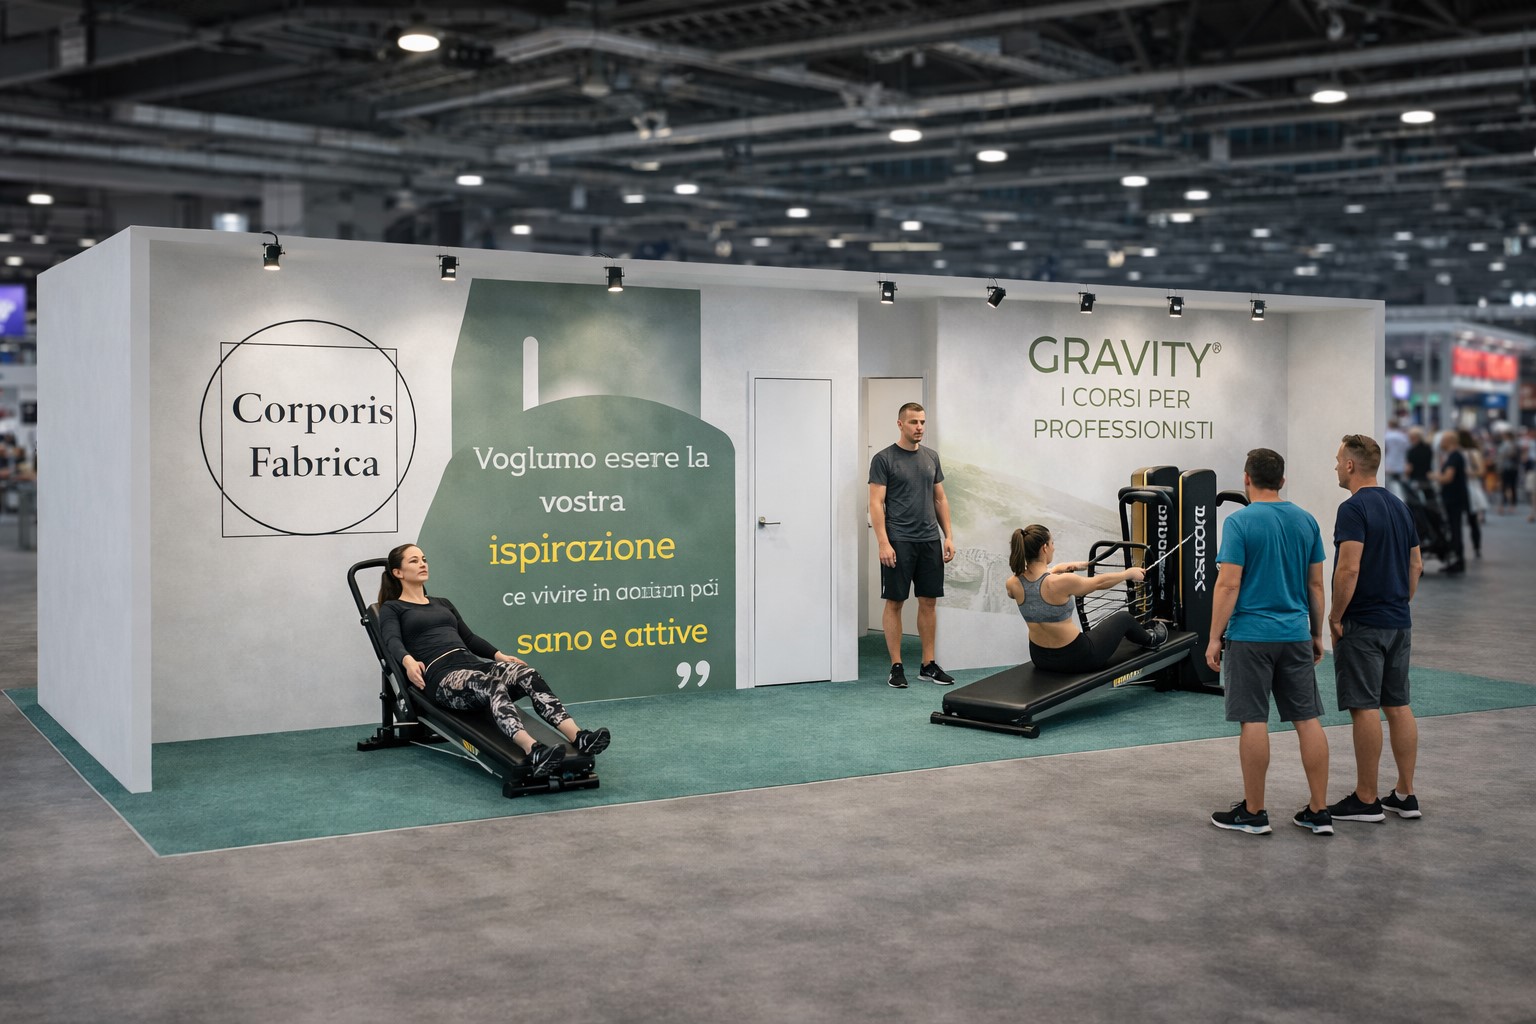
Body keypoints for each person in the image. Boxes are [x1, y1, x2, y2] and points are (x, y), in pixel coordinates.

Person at [376, 543, 610, 776]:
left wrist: (499, 656)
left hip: (471, 664)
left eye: (424, 559)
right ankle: (533, 749)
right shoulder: (393, 608)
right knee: (491, 684)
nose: (422, 564)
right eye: (414, 561)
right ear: (398, 572)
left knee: (527, 674)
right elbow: (391, 639)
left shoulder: (442, 603)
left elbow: (469, 638)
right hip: (442, 676)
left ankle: (579, 737)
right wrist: (407, 660)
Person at [1206, 448, 1331, 836]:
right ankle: (1319, 811)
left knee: (1254, 719)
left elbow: (1228, 584)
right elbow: (1315, 585)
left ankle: (1254, 813)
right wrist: (1316, 633)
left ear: (1247, 479)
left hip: (1250, 637)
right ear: (1282, 480)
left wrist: (1213, 637)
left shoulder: (1239, 522)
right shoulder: (1306, 521)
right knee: (1307, 720)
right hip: (1295, 635)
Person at [1326, 434, 1423, 823]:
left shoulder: (1352, 509)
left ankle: (1366, 799)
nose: (1335, 466)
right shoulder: (1400, 506)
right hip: (1398, 622)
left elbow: (1348, 568)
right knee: (1397, 705)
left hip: (1363, 623)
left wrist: (1335, 615)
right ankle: (1405, 794)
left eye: (1338, 460)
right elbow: (1416, 565)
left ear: (1351, 465)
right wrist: (1399, 602)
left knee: (1364, 708)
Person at [869, 402, 956, 688]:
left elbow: (940, 498)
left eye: (922, 422)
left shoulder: (931, 457)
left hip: (929, 540)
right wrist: (883, 542)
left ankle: (928, 665)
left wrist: (948, 536)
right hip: (899, 541)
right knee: (895, 602)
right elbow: (876, 503)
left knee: (929, 602)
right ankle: (896, 666)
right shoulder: (884, 459)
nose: (919, 427)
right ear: (900, 424)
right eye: (913, 422)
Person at [1005, 525, 1167, 673]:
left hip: (1040, 658)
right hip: (1077, 658)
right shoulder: (1061, 582)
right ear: (1044, 548)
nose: (1054, 547)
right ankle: (1151, 640)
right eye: (1052, 543)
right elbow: (1098, 583)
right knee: (1124, 618)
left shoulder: (1013, 583)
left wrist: (1056, 569)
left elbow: (1034, 585)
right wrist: (1127, 574)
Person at [1432, 431, 1470, 572]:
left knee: (1455, 529)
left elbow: (1448, 478)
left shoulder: (1455, 456)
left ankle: (1458, 560)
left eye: (1443, 440)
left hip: (1454, 498)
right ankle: (1456, 559)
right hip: (1454, 497)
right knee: (1454, 528)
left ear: (1449, 441)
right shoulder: (1455, 456)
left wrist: (1434, 477)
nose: (1441, 443)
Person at [1382, 417, 1410, 488]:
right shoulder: (1403, 437)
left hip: (1389, 463)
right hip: (1401, 464)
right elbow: (1407, 450)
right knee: (1400, 484)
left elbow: (1384, 450)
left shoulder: (1386, 436)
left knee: (1389, 485)